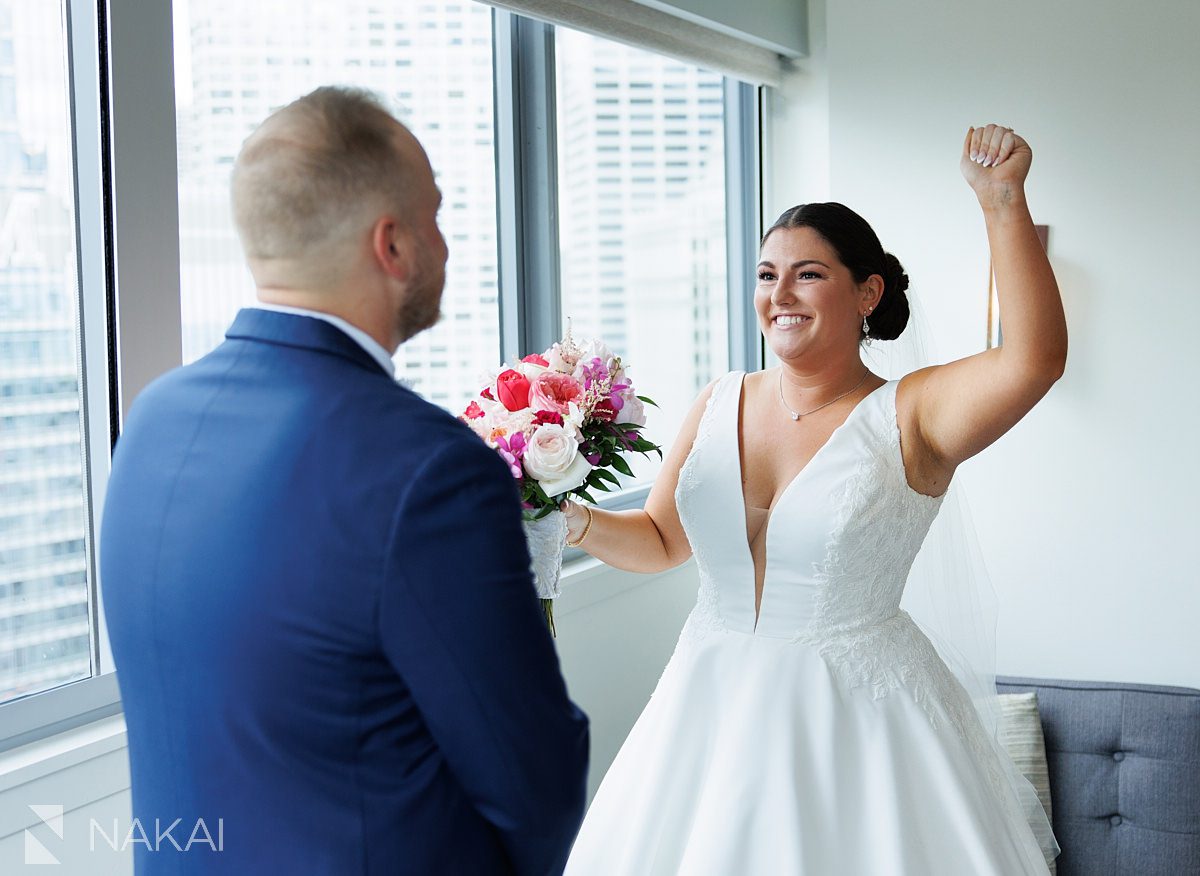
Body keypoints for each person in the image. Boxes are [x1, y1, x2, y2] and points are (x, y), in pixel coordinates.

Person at [100, 86, 589, 875]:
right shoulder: (431, 468)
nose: (446, 245)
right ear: (392, 245)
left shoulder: (153, 417)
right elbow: (534, 776)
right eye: (436, 215)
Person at [560, 124, 1066, 874]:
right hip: (705, 709)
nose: (781, 295)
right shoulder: (719, 400)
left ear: (868, 293)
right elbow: (662, 541)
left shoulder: (913, 414)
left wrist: (1002, 202)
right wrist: (566, 516)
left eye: (808, 275)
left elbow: (1033, 360)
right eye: (767, 275)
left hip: (859, 724)